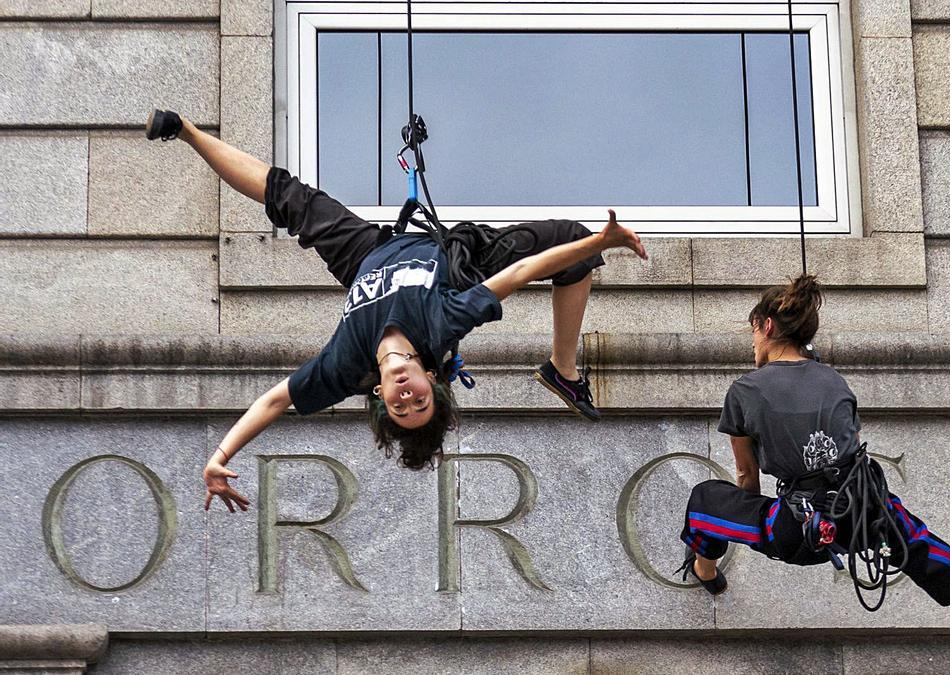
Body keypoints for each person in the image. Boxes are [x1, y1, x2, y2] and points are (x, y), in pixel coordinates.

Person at [142, 110, 647, 512]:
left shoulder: (345, 364)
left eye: (399, 407)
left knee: (290, 198)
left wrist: (221, 455)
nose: (407, 398)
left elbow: (273, 403)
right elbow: (516, 276)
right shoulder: (440, 323)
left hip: (367, 256)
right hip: (458, 260)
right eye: (420, 403)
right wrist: (600, 240)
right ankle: (563, 369)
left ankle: (185, 130)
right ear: (431, 378)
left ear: (380, 393)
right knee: (576, 245)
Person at [677, 275, 950, 625]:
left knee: (706, 501)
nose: (752, 344)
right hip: (859, 518)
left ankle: (705, 569)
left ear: (767, 325)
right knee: (914, 540)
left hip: (794, 530)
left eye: (753, 334)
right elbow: (850, 448)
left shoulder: (744, 390)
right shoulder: (835, 381)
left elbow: (747, 477)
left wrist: (747, 517)